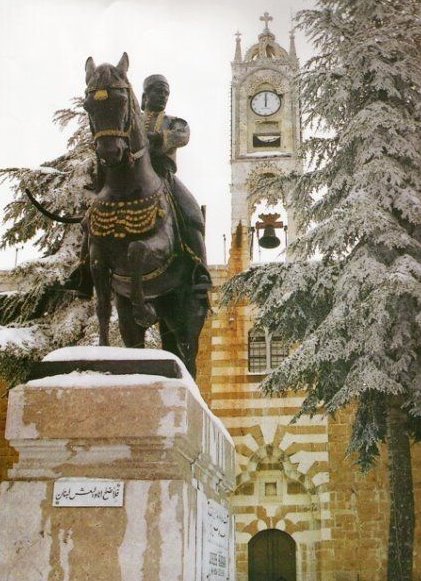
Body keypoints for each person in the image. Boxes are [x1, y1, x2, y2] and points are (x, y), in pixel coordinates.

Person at [64, 74, 211, 298]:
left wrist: (158, 138)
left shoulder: (174, 121)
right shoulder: (131, 119)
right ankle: (84, 270)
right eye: (157, 91)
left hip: (163, 176)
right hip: (129, 179)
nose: (162, 96)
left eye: (166, 92)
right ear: (144, 95)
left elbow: (182, 136)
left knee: (192, 214)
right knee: (91, 215)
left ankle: (200, 269)